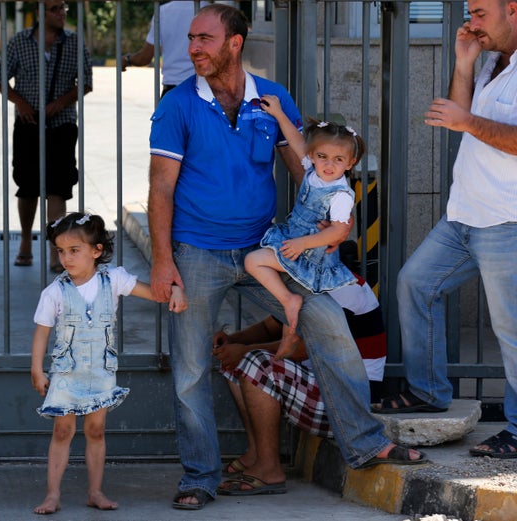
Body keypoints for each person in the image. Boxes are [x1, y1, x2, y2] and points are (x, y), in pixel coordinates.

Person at [147, 4, 425, 510]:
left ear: (235, 42)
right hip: (197, 250)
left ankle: (364, 444)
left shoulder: (273, 99)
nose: (193, 48)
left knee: (330, 326)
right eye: (190, 38)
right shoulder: (177, 105)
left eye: (204, 39)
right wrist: (163, 260)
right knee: (189, 370)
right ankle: (200, 477)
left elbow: (306, 167)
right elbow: (161, 188)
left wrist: (326, 219)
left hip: (271, 246)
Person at [373, 0, 517, 459]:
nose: (470, 22)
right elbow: (457, 117)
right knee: (416, 284)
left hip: (506, 220)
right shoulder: (492, 60)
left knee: (511, 331)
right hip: (463, 215)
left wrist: (468, 121)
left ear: (512, 9)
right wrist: (463, 63)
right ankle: (429, 391)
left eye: (478, 12)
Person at [30, 212, 186, 514]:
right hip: (66, 374)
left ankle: (95, 491)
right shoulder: (54, 293)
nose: (66, 258)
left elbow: (153, 292)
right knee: (62, 431)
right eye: (61, 251)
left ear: (96, 250)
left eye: (74, 251)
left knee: (97, 430)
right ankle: (52, 494)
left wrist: (175, 288)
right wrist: (36, 369)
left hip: (100, 373)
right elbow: (41, 332)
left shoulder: (113, 279)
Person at [214, 252, 387, 495]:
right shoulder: (308, 283)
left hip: (351, 404)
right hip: (322, 388)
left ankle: (269, 468)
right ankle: (256, 452)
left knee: (255, 362)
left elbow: (300, 349)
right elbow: (268, 328)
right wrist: (232, 340)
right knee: (235, 362)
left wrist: (243, 350)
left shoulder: (345, 289)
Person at [245, 98, 365, 358]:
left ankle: (289, 303)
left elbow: (337, 232)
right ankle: (290, 331)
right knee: (261, 266)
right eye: (322, 157)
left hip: (309, 253)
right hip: (294, 241)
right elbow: (297, 141)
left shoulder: (341, 194)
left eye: (338, 159)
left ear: (350, 163)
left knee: (253, 261)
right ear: (313, 156)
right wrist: (278, 113)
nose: (328, 165)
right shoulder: (313, 170)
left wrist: (302, 244)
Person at [0, 0, 93, 270]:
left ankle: (55, 250)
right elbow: (0, 80)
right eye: (55, 9)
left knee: (58, 187)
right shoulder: (19, 42)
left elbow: (85, 82)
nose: (61, 13)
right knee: (27, 186)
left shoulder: (74, 43)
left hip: (62, 125)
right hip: (28, 125)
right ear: (39, 13)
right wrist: (21, 103)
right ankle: (26, 239)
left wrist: (60, 103)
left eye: (63, 8)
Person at [120, 1, 207, 97]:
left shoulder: (163, 12)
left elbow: (144, 58)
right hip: (204, 89)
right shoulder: (210, 12)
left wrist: (127, 59)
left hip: (172, 89)